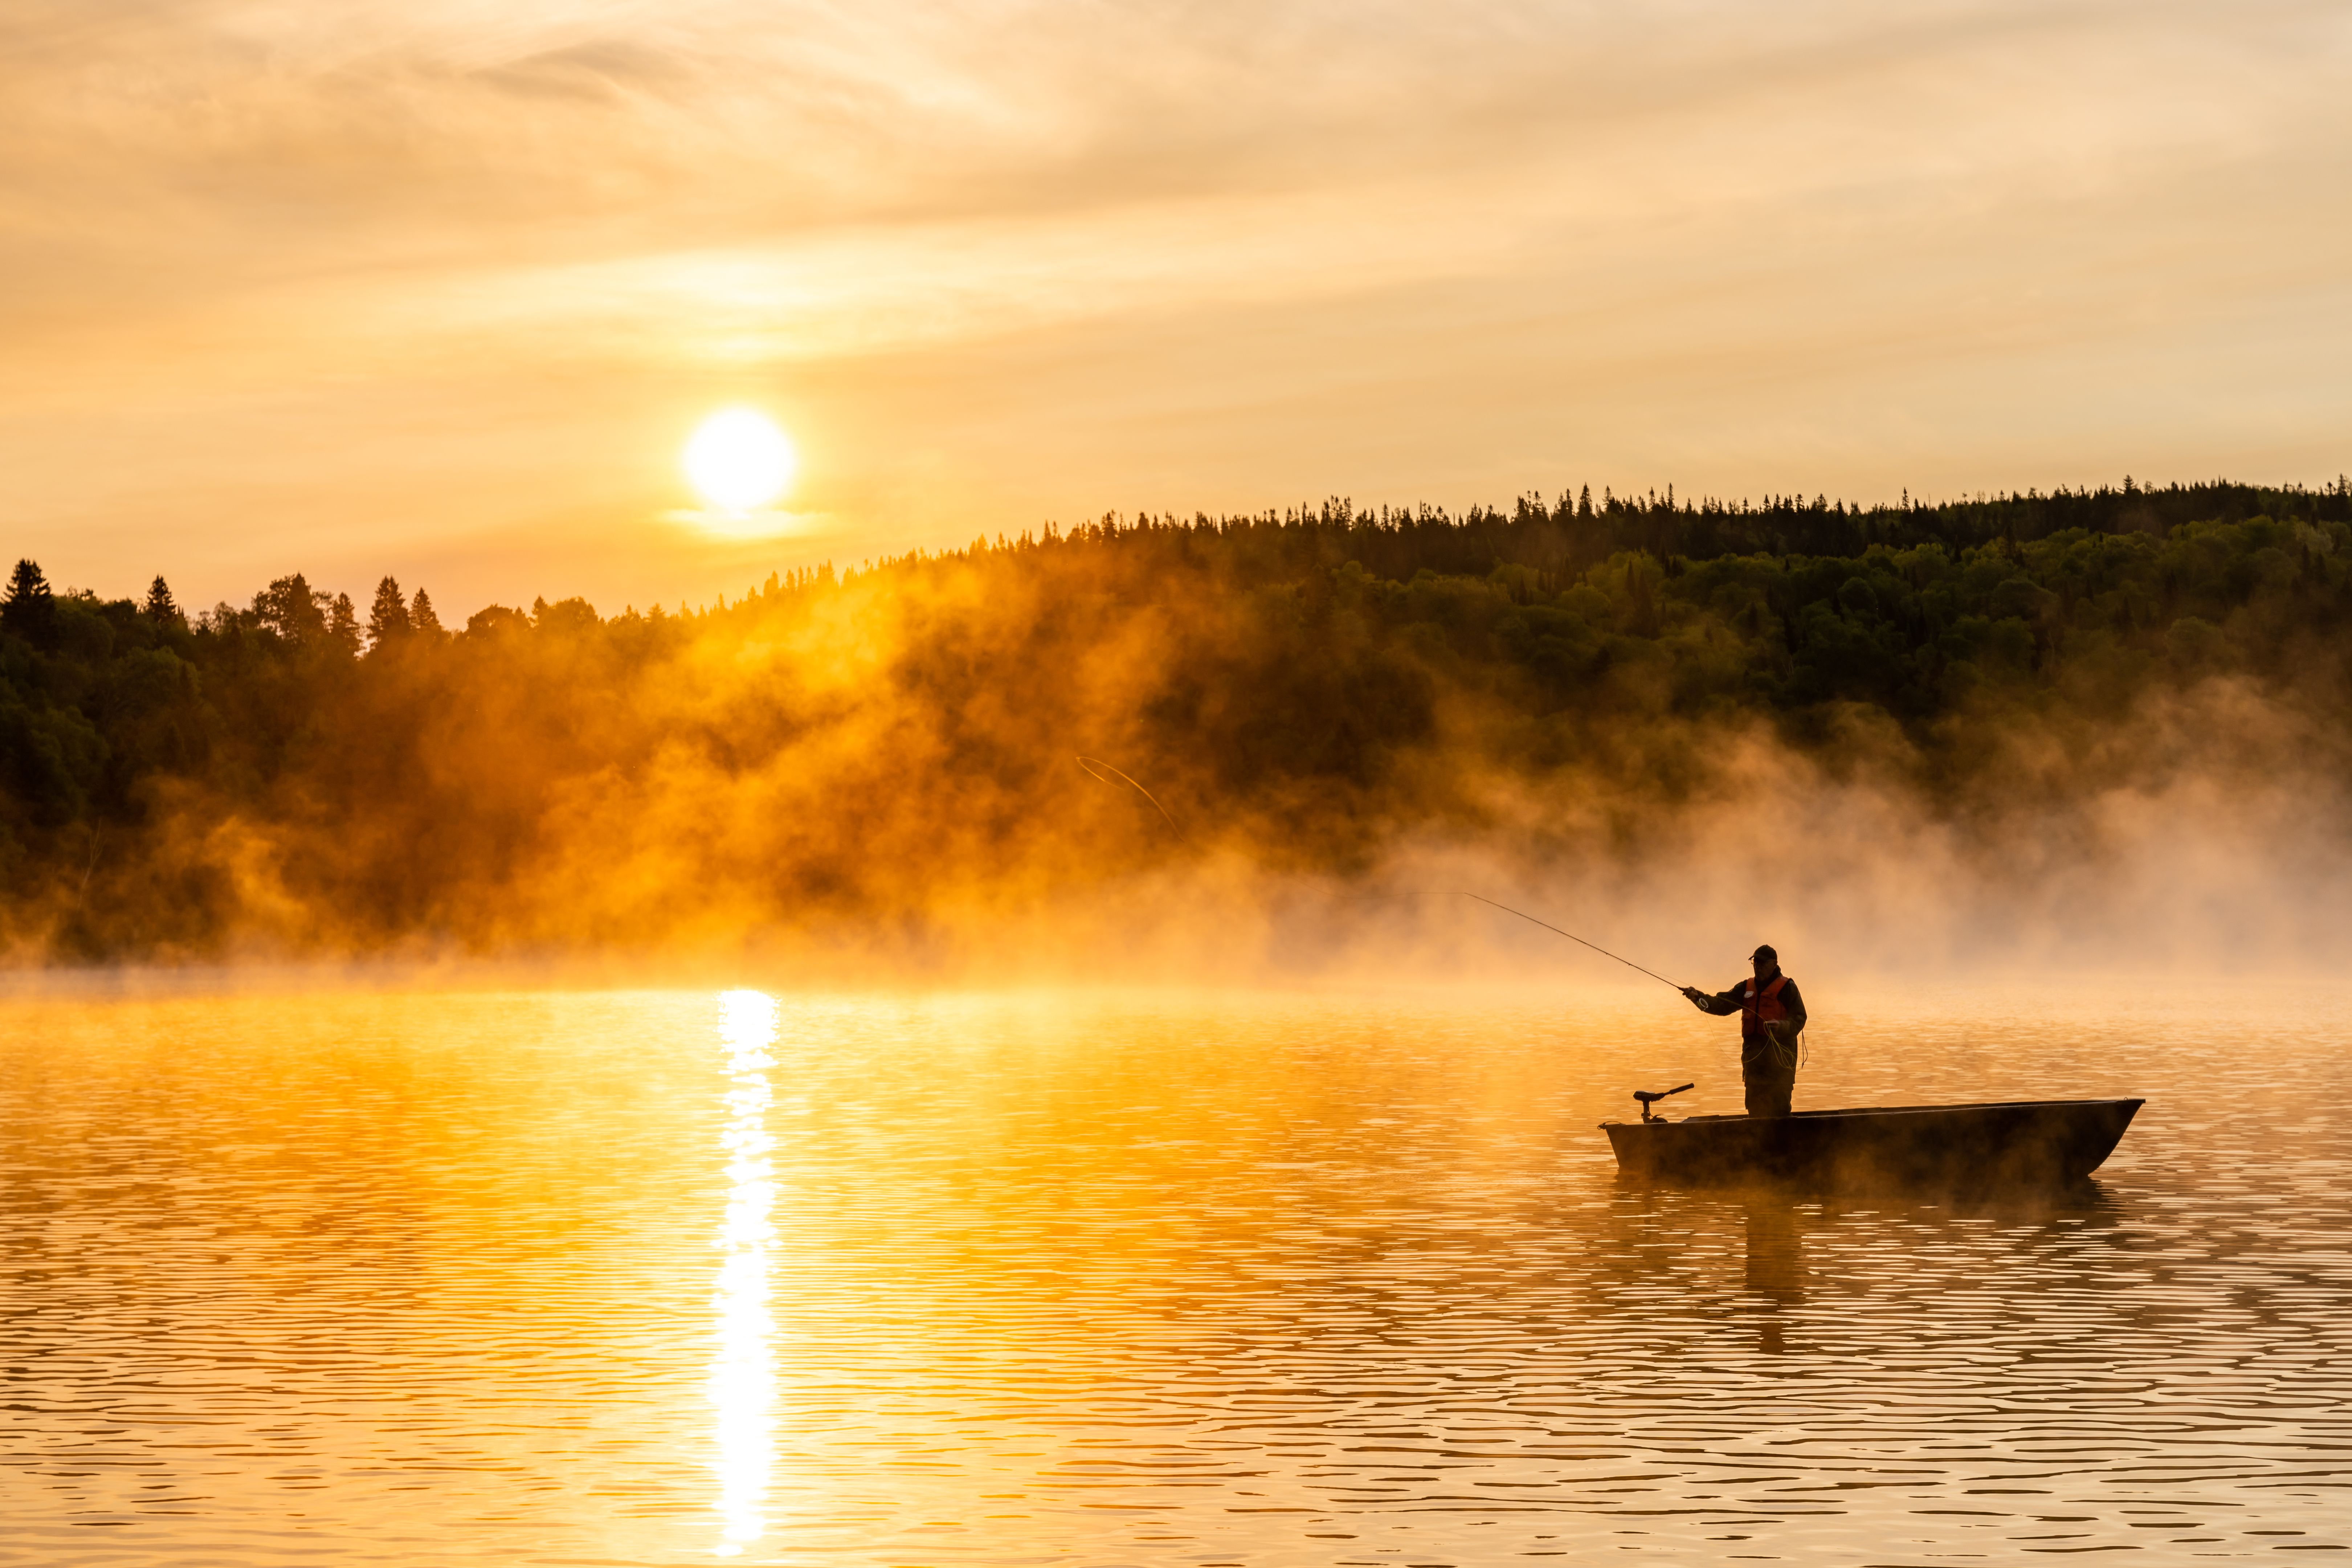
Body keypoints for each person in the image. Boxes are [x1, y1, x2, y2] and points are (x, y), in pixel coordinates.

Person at [1681, 946, 1808, 1117]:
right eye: (1755, 962)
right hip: (1753, 1065)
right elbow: (1722, 1004)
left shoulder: (1788, 988)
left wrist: (1781, 1026)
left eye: (1762, 963)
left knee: (1780, 1111)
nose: (1758, 966)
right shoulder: (1746, 987)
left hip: (1780, 1066)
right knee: (1755, 1111)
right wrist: (1698, 997)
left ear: (1774, 964)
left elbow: (1800, 1018)